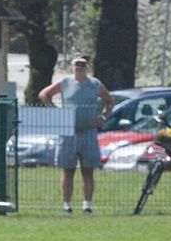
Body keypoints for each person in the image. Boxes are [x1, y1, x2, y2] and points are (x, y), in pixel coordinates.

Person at [38, 53, 114, 215]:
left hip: (88, 132)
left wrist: (103, 117)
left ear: (87, 67)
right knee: (68, 170)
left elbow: (109, 101)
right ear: (72, 66)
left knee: (88, 170)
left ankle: (87, 204)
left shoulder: (95, 84)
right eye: (76, 64)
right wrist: (56, 113)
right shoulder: (65, 82)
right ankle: (67, 205)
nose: (79, 67)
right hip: (68, 133)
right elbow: (44, 94)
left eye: (82, 64)